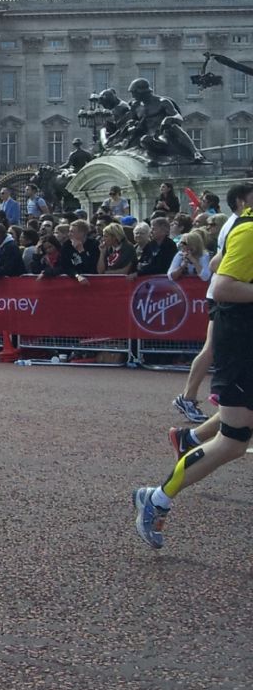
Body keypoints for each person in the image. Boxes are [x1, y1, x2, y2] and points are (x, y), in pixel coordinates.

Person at [131, 198, 253, 549]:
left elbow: (216, 261)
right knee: (232, 440)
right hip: (241, 341)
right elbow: (224, 282)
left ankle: (190, 440)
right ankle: (157, 498)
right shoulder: (248, 229)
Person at [173, 183, 252, 426]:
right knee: (211, 349)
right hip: (228, 294)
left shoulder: (234, 223)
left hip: (225, 292)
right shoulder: (238, 224)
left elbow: (217, 263)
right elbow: (218, 265)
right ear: (241, 201)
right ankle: (188, 397)